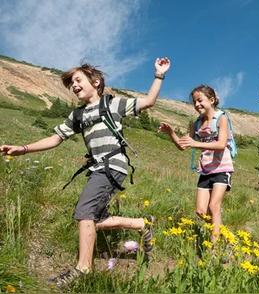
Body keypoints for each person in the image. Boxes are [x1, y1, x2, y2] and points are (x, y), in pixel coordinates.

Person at [0, 57, 171, 287]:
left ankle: (83, 270)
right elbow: (55, 138)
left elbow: (149, 101)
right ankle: (142, 224)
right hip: (97, 168)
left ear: (96, 82)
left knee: (85, 213)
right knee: (92, 219)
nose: (74, 85)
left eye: (78, 80)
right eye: (71, 84)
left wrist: (159, 74)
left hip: (112, 165)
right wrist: (23, 149)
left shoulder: (113, 104)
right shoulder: (77, 115)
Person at [158, 85, 234, 241]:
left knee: (213, 207)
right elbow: (182, 145)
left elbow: (221, 145)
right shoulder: (197, 124)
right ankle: (218, 229)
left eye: (200, 100)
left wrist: (196, 144)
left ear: (212, 100)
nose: (197, 104)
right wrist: (171, 133)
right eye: (194, 102)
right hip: (206, 170)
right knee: (200, 211)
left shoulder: (221, 118)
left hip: (222, 168)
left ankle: (215, 246)